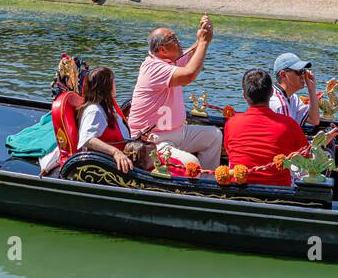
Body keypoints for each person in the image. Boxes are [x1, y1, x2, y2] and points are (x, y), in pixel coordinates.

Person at [126, 16, 223, 169]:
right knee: (192, 163)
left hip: (179, 132)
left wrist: (204, 34)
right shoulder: (153, 68)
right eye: (173, 39)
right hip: (154, 141)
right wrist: (203, 41)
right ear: (161, 50)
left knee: (214, 136)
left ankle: (208, 180)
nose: (178, 40)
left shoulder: (169, 61)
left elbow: (191, 55)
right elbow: (189, 75)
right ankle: (198, 187)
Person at [223, 69, 310, 186]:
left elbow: (230, 152)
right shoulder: (289, 125)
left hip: (238, 190)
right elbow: (306, 156)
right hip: (280, 193)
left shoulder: (231, 123)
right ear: (271, 93)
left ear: (244, 95)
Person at [75, 66, 133, 173]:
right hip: (107, 165)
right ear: (105, 87)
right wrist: (116, 152)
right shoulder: (95, 111)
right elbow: (88, 140)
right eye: (113, 82)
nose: (115, 85)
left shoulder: (107, 107)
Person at [269, 52, 319, 127]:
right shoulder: (279, 104)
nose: (303, 75)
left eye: (303, 71)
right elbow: (285, 138)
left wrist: (311, 89)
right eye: (299, 71)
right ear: (283, 74)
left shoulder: (293, 98)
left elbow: (314, 120)